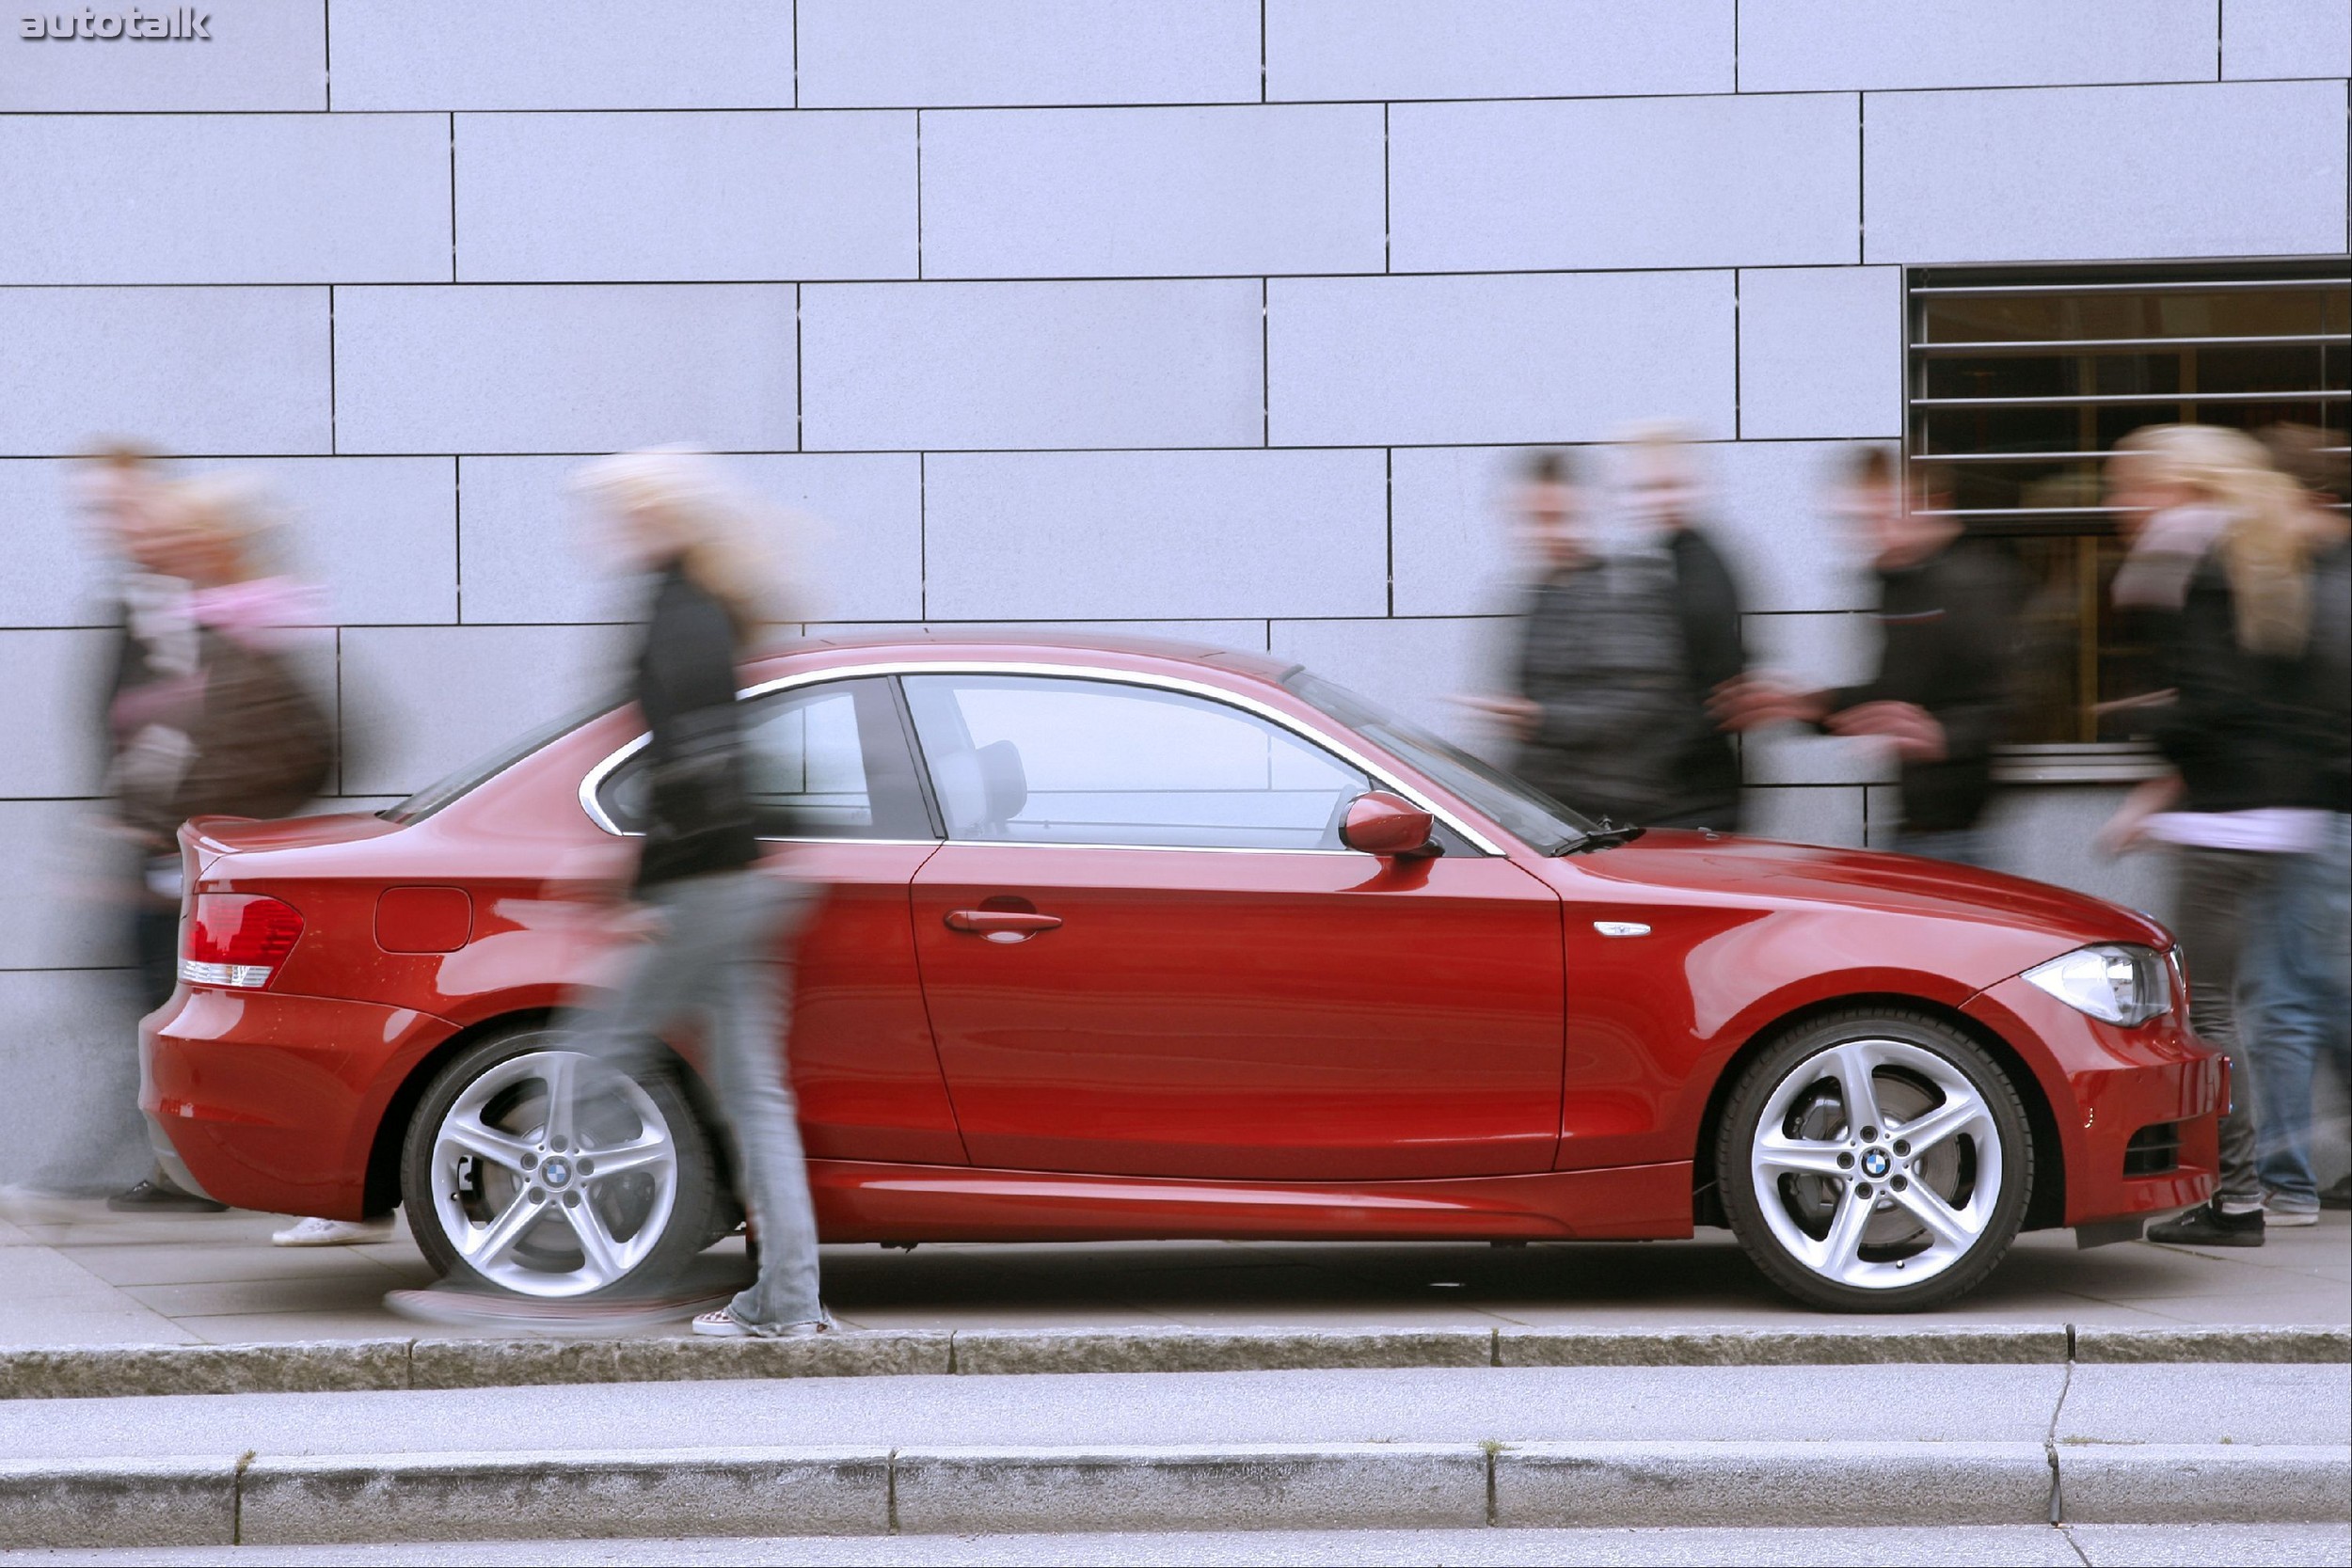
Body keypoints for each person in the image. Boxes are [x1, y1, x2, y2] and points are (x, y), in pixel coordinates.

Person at [555, 450, 830, 1337]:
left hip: (706, 883)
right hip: (742, 877)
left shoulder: (677, 611)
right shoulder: (706, 603)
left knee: (592, 1056)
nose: (605, 526)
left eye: (620, 509)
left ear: (661, 516)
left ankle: (569, 1272)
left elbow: (693, 763)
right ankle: (786, 1302)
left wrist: (647, 883)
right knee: (755, 1095)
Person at [2096, 424, 2338, 1247]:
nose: (2121, 506)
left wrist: (2135, 718)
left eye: (2132, 488)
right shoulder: (2259, 558)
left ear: (2180, 490)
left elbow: (2215, 703)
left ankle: (2237, 1200)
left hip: (2227, 822)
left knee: (2207, 1015)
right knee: (2274, 1002)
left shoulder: (2196, 565)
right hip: (2276, 817)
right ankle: (2255, 1187)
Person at [93, 472, 335, 1216]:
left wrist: (226, 824)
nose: (174, 548)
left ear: (218, 543)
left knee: (204, 1025)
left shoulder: (250, 625)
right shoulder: (206, 624)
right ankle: (193, 1171)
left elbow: (313, 745)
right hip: (182, 862)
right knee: (168, 1017)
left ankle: (236, 1172)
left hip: (210, 867)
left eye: (189, 535)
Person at [1714, 450, 2020, 865]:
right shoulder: (1895, 583)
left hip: (1958, 831)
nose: (1873, 534)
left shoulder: (1974, 582)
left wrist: (1944, 735)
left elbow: (2018, 699)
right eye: (1860, 521)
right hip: (1914, 824)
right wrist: (1808, 707)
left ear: (1930, 503)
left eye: (1885, 515)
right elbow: (1892, 698)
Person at [1461, 443, 1745, 829]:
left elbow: (1643, 703)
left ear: (1585, 513)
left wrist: (1540, 720)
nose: (1546, 532)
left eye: (1556, 516)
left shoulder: (1626, 589)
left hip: (1616, 820)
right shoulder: (1528, 596)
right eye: (1533, 517)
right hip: (1549, 817)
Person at [2241, 426, 2352, 1225]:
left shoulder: (2319, 588)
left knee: (2285, 999)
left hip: (2316, 814)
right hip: (2320, 814)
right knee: (2326, 991)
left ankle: (2287, 1182)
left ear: (2303, 498)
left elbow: (2302, 716)